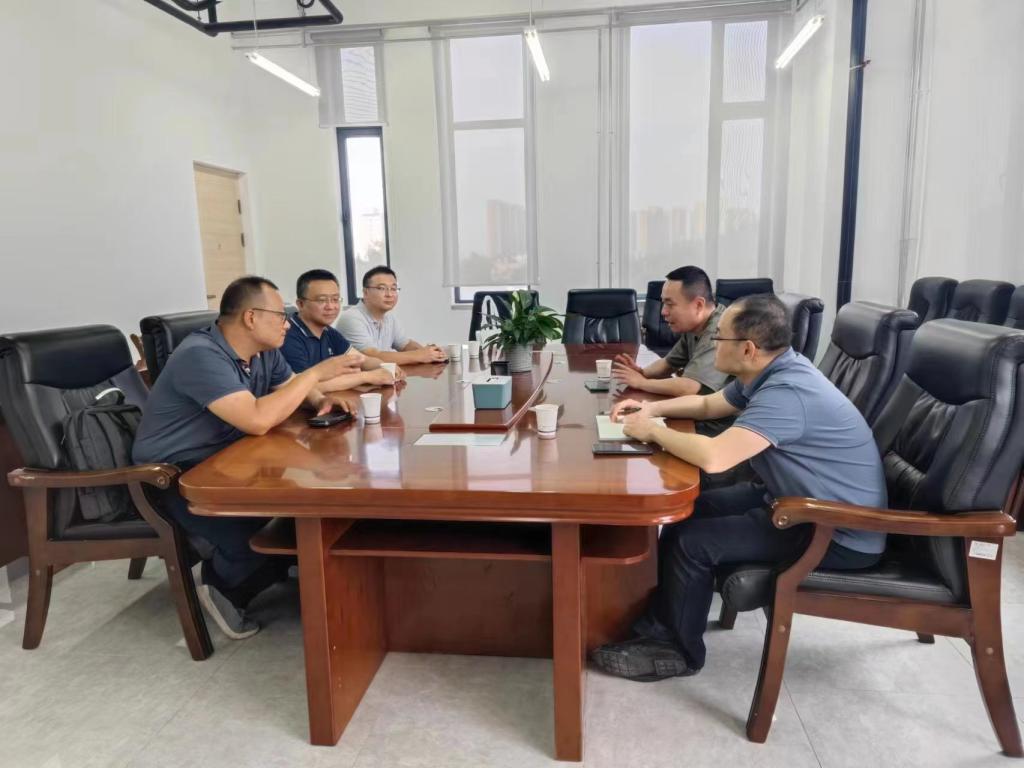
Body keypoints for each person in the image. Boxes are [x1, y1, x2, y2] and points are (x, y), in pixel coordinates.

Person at [590, 294, 887, 681]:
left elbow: (716, 458)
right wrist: (650, 410)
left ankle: (677, 651)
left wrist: (652, 432)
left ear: (747, 349)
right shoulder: (772, 370)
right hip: (792, 501)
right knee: (687, 510)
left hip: (835, 529)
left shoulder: (787, 393)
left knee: (693, 542)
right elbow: (709, 405)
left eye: (720, 337)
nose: (713, 343)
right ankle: (658, 619)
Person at [133, 276, 362, 640]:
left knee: (300, 517)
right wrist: (317, 373)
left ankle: (284, 572)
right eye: (281, 316)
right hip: (177, 474)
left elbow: (290, 388)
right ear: (251, 317)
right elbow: (256, 420)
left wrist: (321, 400)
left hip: (230, 458)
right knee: (257, 537)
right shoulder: (201, 356)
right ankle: (221, 589)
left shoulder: (264, 351)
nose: (288, 324)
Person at [612, 266, 731, 399]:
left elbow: (690, 387)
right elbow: (668, 364)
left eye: (670, 304)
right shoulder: (695, 327)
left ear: (698, 305)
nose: (663, 312)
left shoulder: (721, 330)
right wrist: (642, 373)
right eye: (663, 303)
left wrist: (642, 383)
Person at [282, 268, 406, 390]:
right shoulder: (287, 336)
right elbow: (304, 387)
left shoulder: (329, 332)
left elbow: (362, 360)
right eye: (322, 300)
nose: (331, 306)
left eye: (335, 299)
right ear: (301, 304)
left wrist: (386, 367)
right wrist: (366, 377)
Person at [336, 265, 448, 365]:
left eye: (393, 289)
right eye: (382, 288)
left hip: (380, 377)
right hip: (354, 379)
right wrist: (420, 355)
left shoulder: (389, 318)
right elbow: (372, 356)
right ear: (365, 292)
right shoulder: (351, 318)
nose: (389, 294)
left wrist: (430, 353)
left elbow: (405, 344)